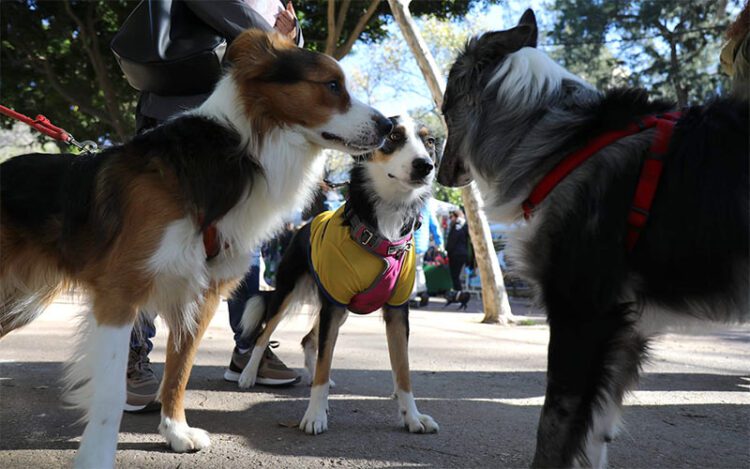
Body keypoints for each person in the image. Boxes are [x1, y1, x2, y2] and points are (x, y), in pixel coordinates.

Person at [125, 0, 304, 413]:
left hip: (245, 127)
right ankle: (133, 354)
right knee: (157, 244)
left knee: (243, 239)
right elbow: (255, 34)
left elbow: (286, 53)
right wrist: (276, 38)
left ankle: (249, 346)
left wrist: (291, 37)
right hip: (179, 115)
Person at [410, 199, 444, 307]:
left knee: (411, 270)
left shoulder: (411, 204)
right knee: (418, 268)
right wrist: (440, 242)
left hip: (412, 242)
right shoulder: (427, 207)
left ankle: (412, 296)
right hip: (423, 244)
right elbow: (434, 226)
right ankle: (423, 290)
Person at [445, 209, 470, 292]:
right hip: (462, 254)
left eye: (451, 217)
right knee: (456, 275)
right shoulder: (464, 226)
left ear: (456, 217)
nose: (450, 219)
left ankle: (459, 294)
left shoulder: (457, 226)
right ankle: (458, 293)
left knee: (455, 276)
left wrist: (447, 251)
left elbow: (452, 241)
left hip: (456, 254)